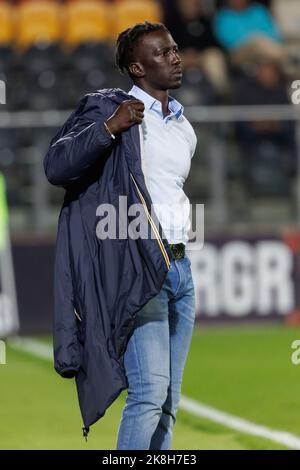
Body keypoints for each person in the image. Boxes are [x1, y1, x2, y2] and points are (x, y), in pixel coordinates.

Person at [43, 22, 197, 450]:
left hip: (181, 271)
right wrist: (109, 127)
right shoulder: (108, 108)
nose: (175, 57)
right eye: (162, 53)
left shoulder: (184, 126)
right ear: (136, 67)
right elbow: (56, 166)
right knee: (148, 393)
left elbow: (166, 191)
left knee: (168, 400)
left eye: (175, 49)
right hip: (138, 270)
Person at [163, 0, 229, 93]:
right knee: (167, 61)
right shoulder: (172, 22)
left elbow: (214, 44)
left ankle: (222, 94)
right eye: (187, 5)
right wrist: (186, 55)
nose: (191, 7)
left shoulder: (206, 22)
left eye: (194, 4)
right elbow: (166, 45)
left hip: (202, 56)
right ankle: (164, 95)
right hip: (180, 56)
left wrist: (197, 54)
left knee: (214, 58)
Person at [214, 0, 285, 67]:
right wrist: (252, 39)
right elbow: (228, 40)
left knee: (261, 44)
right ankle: (285, 58)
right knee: (258, 41)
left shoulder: (258, 10)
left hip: (264, 49)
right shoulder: (223, 16)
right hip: (238, 52)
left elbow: (274, 34)